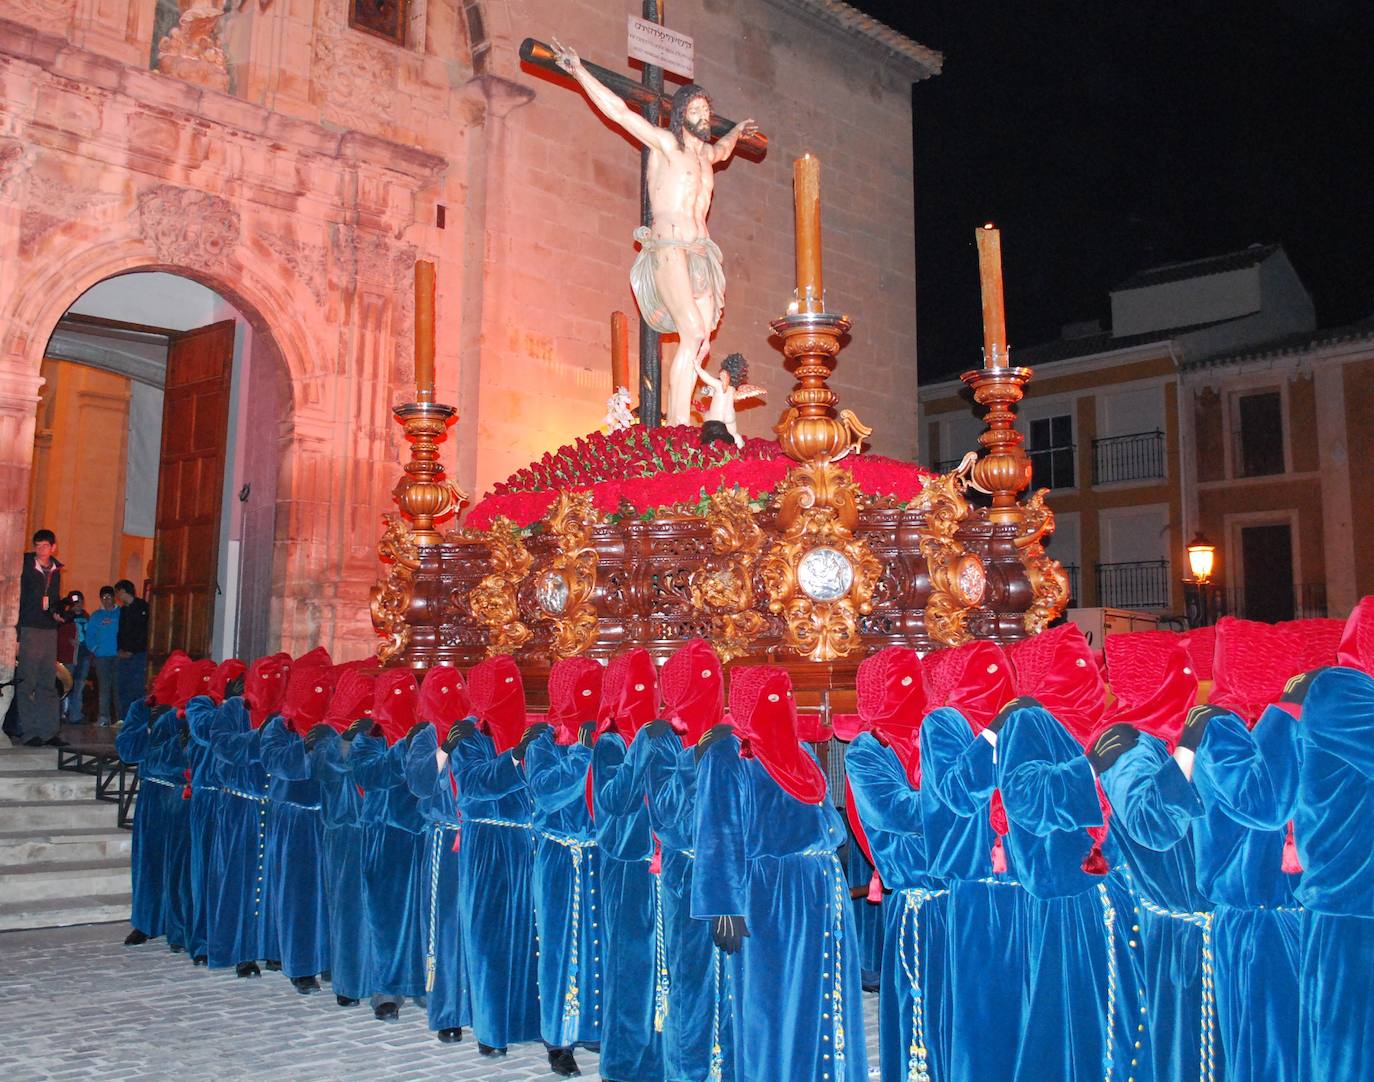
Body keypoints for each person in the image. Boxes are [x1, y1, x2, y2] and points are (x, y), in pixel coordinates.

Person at [551, 40, 757, 427]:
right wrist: (580, 72)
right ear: (681, 114)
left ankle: (685, 417)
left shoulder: (707, 156)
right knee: (691, 328)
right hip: (669, 247)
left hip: (701, 252)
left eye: (706, 110)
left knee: (700, 339)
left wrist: (738, 131)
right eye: (695, 109)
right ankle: (678, 423)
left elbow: (726, 148)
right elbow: (620, 113)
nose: (703, 116)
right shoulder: (666, 144)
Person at [693, 665, 869, 1082]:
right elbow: (717, 831)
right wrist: (723, 907)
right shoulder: (728, 754)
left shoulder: (801, 752)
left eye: (786, 697)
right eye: (772, 697)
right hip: (770, 899)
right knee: (771, 1003)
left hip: (821, 889)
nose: (782, 707)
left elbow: (829, 822)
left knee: (823, 994)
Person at [843, 647, 948, 1082]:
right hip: (918, 896)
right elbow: (897, 812)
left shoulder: (938, 730)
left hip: (961, 892)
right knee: (919, 1006)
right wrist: (960, 792)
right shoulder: (867, 751)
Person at [524, 657, 605, 1076]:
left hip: (596, 854)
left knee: (597, 943)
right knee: (558, 946)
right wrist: (582, 752)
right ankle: (558, 1039)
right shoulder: (541, 741)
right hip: (559, 855)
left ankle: (592, 1023)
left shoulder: (603, 735)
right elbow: (549, 792)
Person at [587, 649, 665, 1082]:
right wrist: (641, 746)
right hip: (626, 868)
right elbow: (615, 800)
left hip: (657, 866)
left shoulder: (654, 733)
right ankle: (622, 1065)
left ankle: (657, 1059)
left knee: (658, 967)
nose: (646, 696)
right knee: (629, 967)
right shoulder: (610, 742)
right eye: (637, 688)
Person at [14, 528, 66, 746]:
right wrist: (16, 633)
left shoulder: (55, 571)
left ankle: (49, 731)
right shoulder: (25, 567)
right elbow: (17, 599)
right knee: (27, 681)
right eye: (37, 545)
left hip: (49, 630)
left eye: (45, 546)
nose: (40, 550)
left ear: (53, 547)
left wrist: (58, 613)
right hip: (29, 628)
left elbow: (52, 600)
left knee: (48, 682)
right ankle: (28, 731)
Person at [695, 352, 756, 448]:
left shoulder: (719, 384)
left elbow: (707, 378)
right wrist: (708, 392)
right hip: (730, 417)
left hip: (716, 417)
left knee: (710, 434)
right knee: (734, 434)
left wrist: (698, 367)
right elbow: (720, 396)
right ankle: (740, 447)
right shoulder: (732, 389)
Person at [114, 578, 150, 720]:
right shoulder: (123, 610)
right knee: (123, 686)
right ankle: (124, 717)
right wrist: (119, 649)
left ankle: (138, 718)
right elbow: (121, 632)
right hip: (124, 654)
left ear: (123, 591)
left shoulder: (142, 607)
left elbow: (143, 632)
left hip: (138, 654)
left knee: (137, 687)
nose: (117, 596)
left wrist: (132, 650)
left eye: (118, 592)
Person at [86, 586, 121, 726]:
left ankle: (120, 718)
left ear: (114, 598)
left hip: (118, 656)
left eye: (109, 597)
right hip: (102, 657)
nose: (106, 600)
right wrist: (96, 649)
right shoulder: (96, 616)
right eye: (103, 598)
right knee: (104, 688)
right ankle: (103, 717)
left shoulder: (121, 613)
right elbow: (89, 636)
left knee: (117, 688)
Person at [60, 591, 91, 724]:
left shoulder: (86, 616)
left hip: (84, 655)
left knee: (79, 685)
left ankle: (75, 715)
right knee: (66, 685)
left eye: (79, 602)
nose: (77, 605)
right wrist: (69, 640)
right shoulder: (66, 617)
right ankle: (62, 713)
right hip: (70, 656)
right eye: (74, 602)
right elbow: (60, 635)